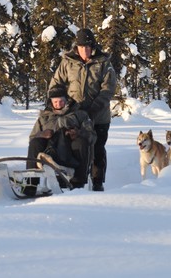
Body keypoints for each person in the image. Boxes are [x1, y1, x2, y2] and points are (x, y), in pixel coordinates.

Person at [50, 28, 116, 191]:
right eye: (81, 47)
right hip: (74, 115)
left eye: (88, 47)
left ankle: (97, 180)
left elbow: (108, 89)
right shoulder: (68, 62)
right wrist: (62, 103)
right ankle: (73, 179)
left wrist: (92, 110)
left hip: (98, 116)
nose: (85, 50)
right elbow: (55, 84)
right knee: (73, 146)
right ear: (76, 47)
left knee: (97, 147)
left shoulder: (103, 63)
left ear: (92, 46)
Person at [27, 84, 96, 190]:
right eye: (55, 102)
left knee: (81, 142)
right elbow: (32, 137)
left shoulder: (79, 115)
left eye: (61, 101)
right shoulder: (44, 117)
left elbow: (92, 136)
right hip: (50, 151)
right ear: (51, 102)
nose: (58, 104)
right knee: (35, 142)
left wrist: (78, 133)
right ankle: (31, 183)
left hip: (71, 154)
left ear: (66, 100)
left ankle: (78, 183)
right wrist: (41, 134)